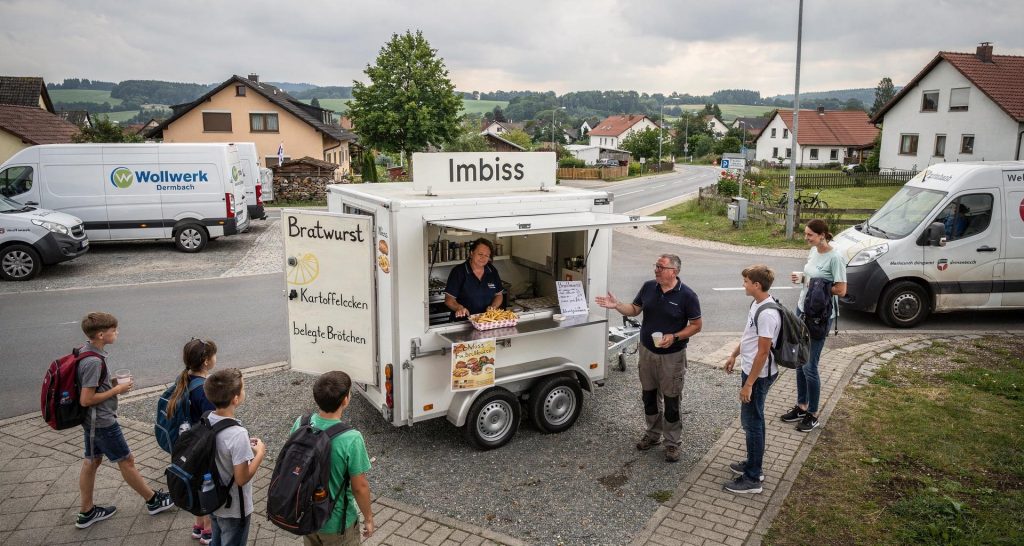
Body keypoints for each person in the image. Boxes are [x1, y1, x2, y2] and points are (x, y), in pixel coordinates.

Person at [596, 254, 702, 462]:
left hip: (672, 356)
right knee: (649, 396)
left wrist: (675, 337)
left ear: (674, 271)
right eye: (656, 266)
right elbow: (635, 309)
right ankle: (653, 434)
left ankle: (672, 443)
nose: (656, 270)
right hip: (647, 352)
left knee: (671, 400)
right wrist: (617, 305)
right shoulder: (648, 287)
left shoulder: (688, 295)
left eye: (661, 267)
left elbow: (697, 325)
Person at [75, 312, 175, 529]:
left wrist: (110, 382)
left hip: (93, 421)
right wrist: (117, 390)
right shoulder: (93, 361)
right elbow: (86, 399)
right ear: (101, 335)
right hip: (102, 421)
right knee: (126, 460)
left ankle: (86, 511)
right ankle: (153, 500)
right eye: (114, 330)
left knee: (92, 461)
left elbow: (92, 385)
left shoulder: (86, 351)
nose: (117, 333)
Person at [291, 371, 375, 546]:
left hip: (307, 516)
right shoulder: (351, 438)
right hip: (337, 524)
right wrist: (368, 518)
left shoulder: (301, 423)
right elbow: (359, 487)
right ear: (345, 400)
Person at [781, 219, 847, 432]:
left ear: (822, 235)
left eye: (810, 234)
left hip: (820, 317)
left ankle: (813, 414)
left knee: (810, 366)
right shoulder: (813, 251)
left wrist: (818, 285)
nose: (806, 238)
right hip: (802, 310)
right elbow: (810, 279)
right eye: (806, 234)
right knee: (799, 361)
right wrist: (802, 279)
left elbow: (841, 290)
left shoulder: (835, 258)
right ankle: (801, 406)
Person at [723, 265, 781, 494]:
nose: (743, 285)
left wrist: (749, 384)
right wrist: (734, 355)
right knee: (753, 421)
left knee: (752, 423)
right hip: (751, 370)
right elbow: (749, 337)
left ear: (757, 285)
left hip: (758, 376)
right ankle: (753, 464)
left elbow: (763, 352)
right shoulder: (757, 304)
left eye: (746, 281)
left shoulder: (767, 314)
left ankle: (753, 478)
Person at [204, 368, 267, 546]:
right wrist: (260, 454)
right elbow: (242, 478)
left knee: (216, 539)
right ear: (235, 399)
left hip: (214, 499)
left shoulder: (207, 419)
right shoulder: (237, 434)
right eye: (243, 388)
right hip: (234, 508)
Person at [166, 338, 218, 545]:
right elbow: (213, 420)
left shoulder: (184, 379)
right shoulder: (204, 390)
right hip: (202, 446)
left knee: (196, 482)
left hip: (186, 444)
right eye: (214, 355)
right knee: (207, 485)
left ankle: (198, 525)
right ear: (206, 361)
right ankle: (208, 530)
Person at [443, 238, 504, 321]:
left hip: (485, 321)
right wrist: (459, 308)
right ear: (471, 253)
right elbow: (449, 299)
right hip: (463, 322)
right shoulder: (458, 271)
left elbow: (499, 295)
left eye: (486, 255)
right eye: (480, 254)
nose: (483, 258)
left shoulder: (492, 270)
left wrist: (493, 307)